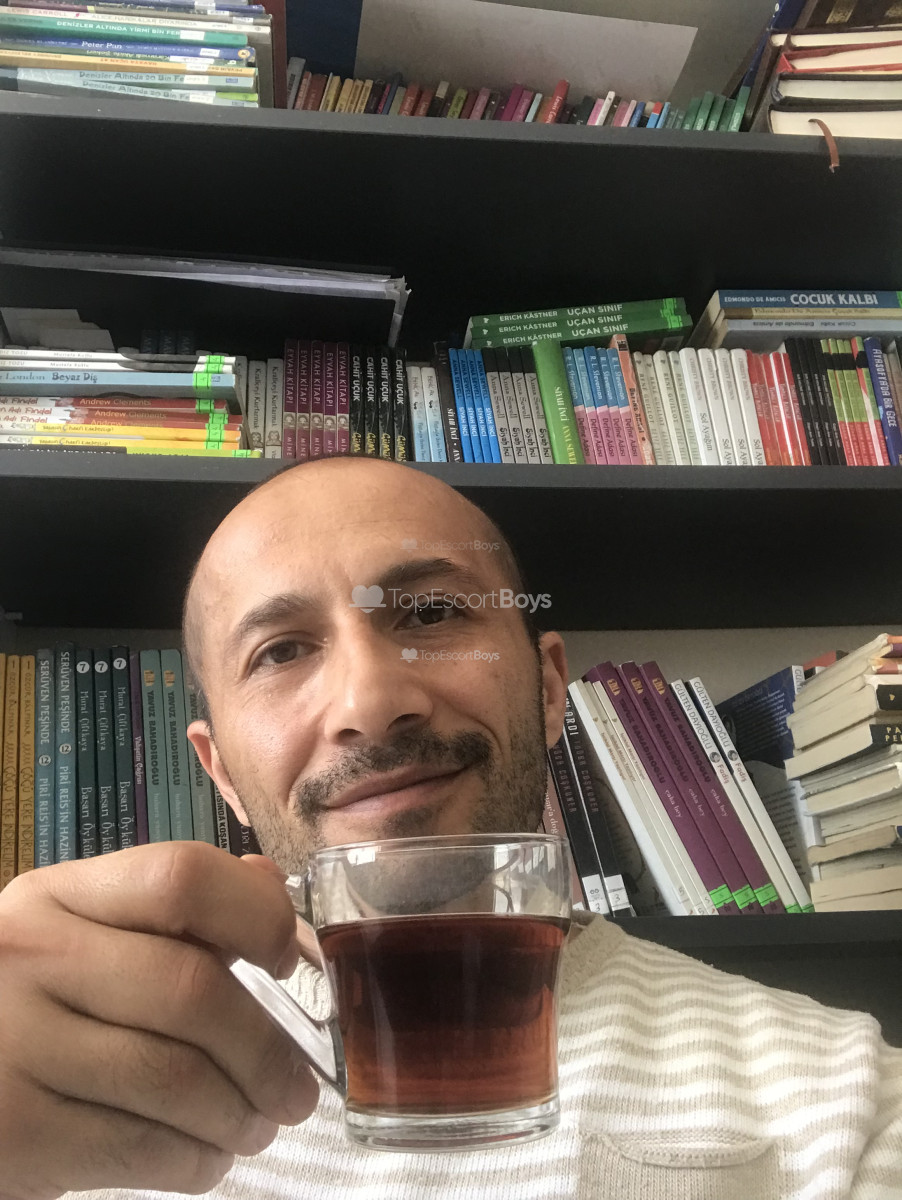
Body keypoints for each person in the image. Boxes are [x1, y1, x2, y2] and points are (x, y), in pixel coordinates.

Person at [1, 455, 901, 1200]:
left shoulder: (849, 1095)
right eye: (281, 651)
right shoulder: (61, 1108)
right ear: (222, 774)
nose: (370, 703)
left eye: (432, 613)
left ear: (548, 689)